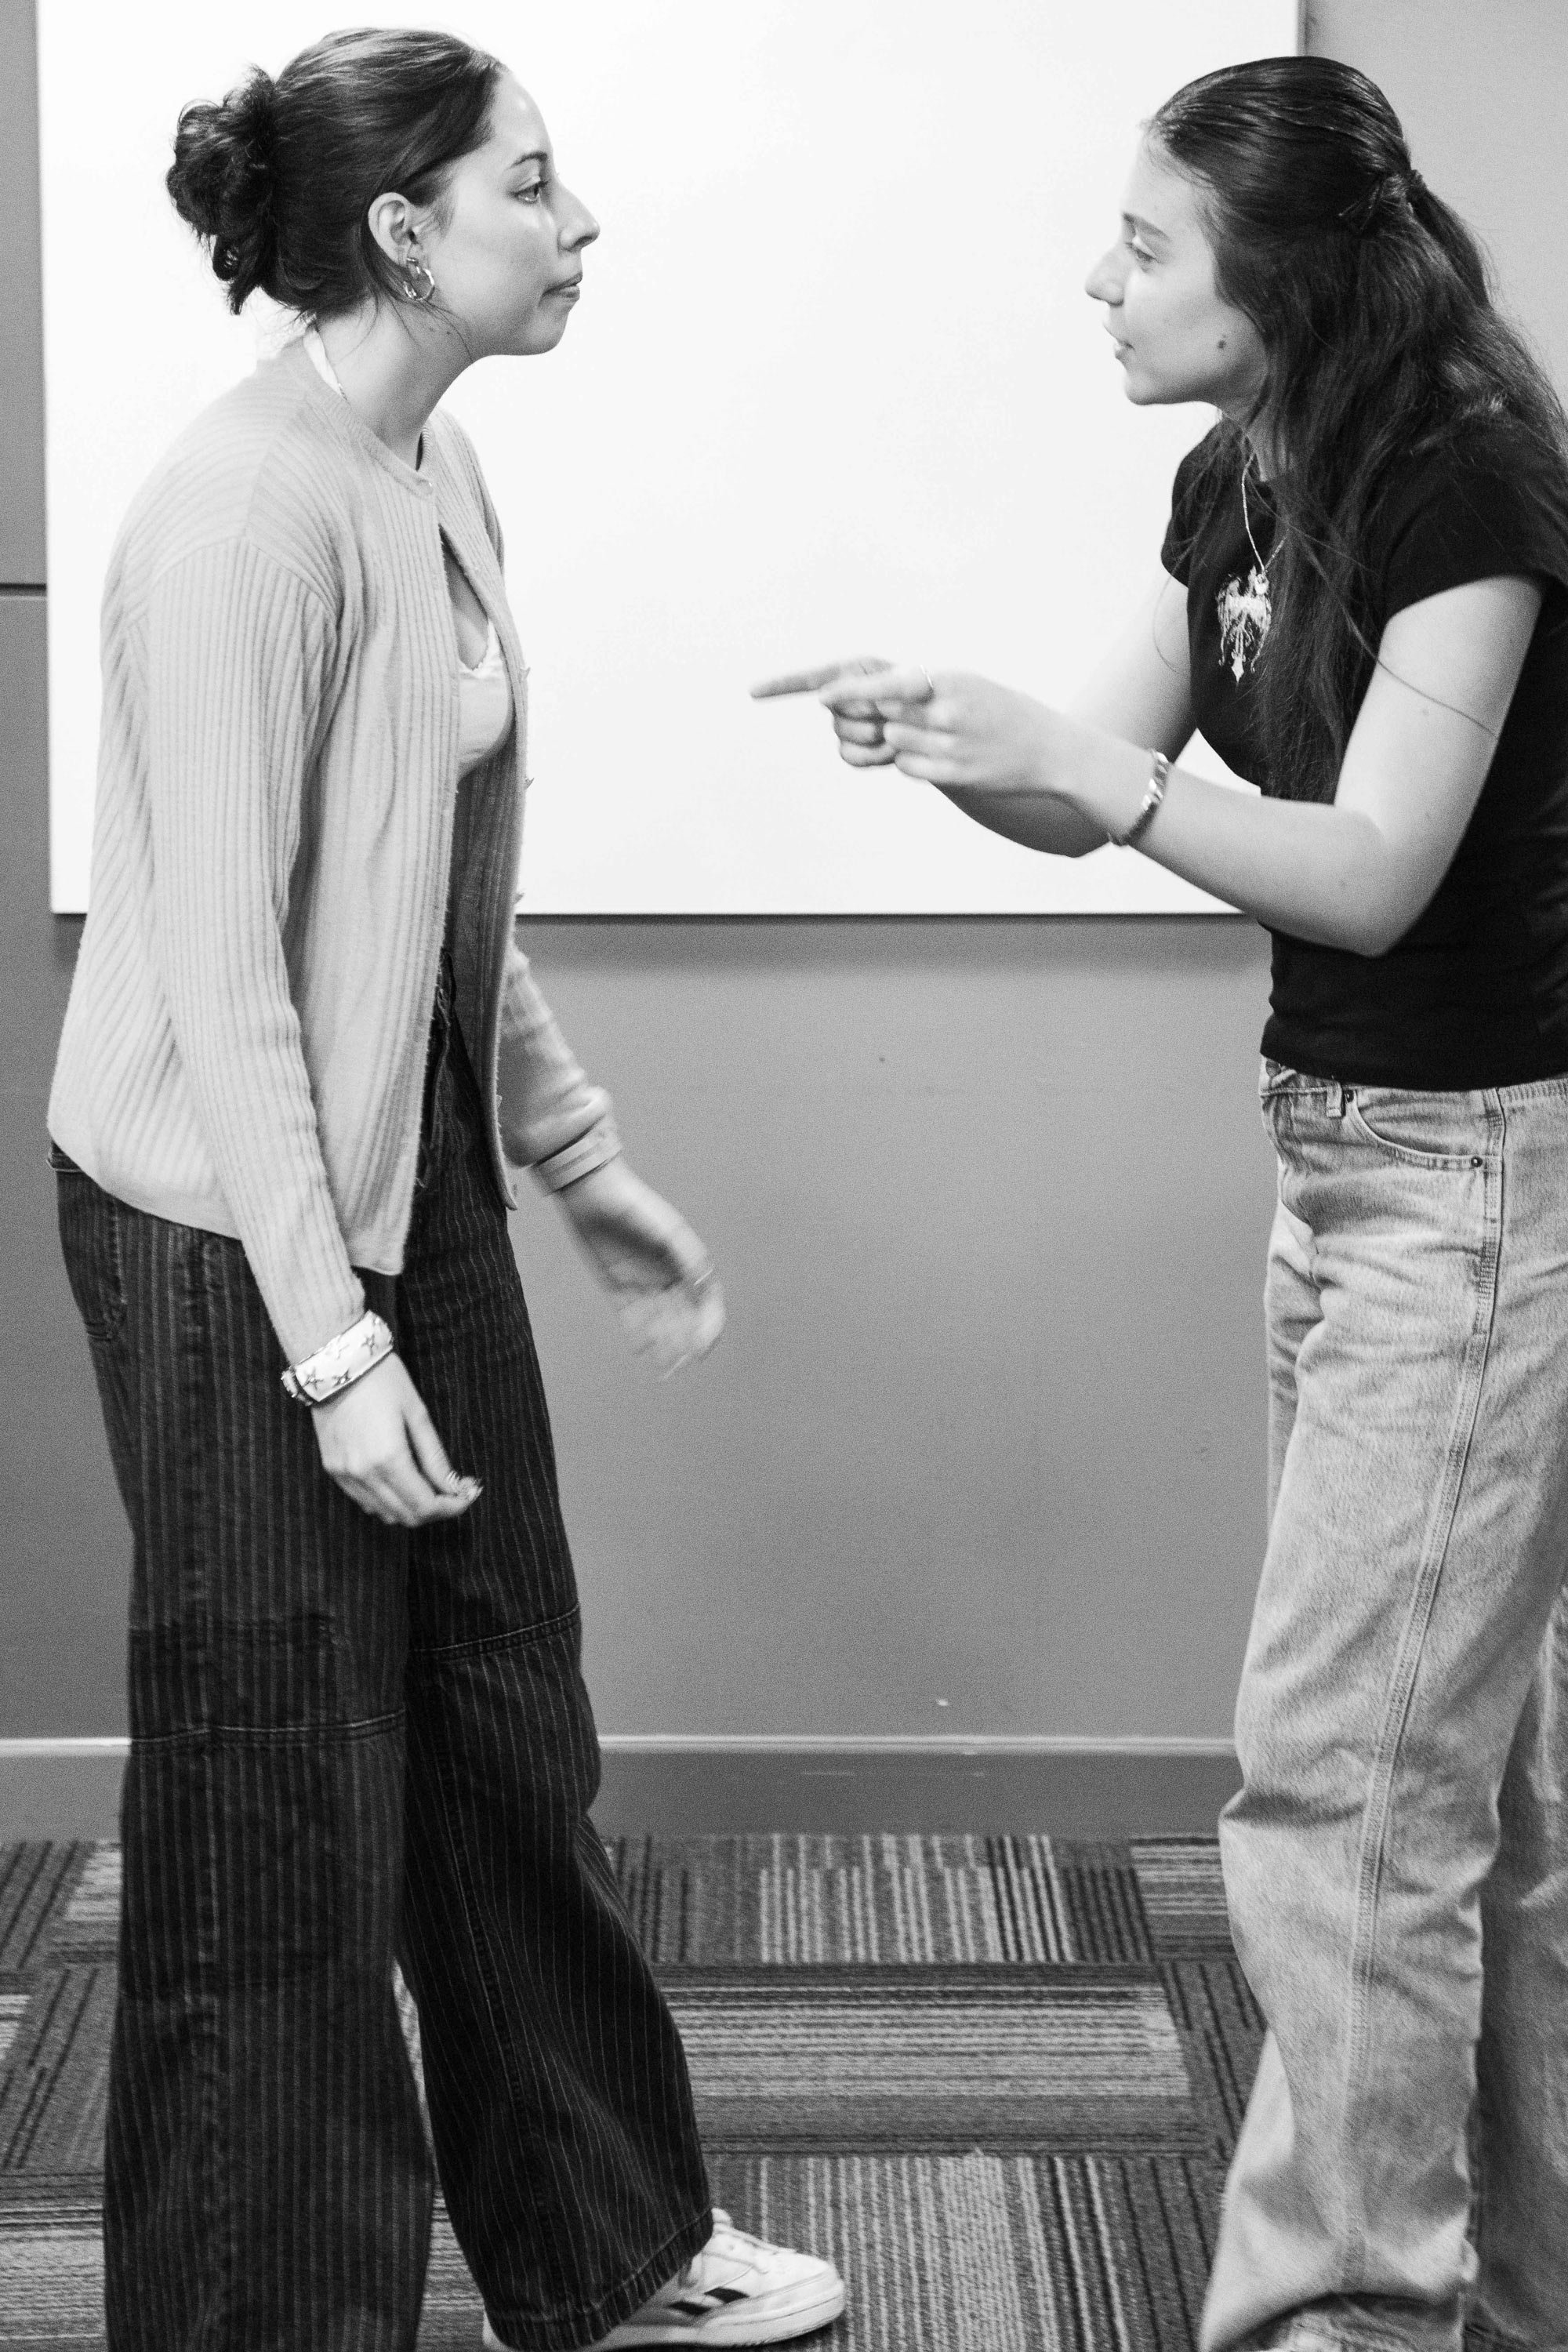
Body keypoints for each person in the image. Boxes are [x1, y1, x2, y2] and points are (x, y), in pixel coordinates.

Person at [757, 53, 1568, 2352]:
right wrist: (960, 736)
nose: (1095, 279)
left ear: (1278, 275)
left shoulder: (1468, 481)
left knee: (1348, 1790)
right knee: (1475, 1785)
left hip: (1485, 1182)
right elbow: (1103, 771)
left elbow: (1376, 874)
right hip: (1346, 1162)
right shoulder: (1239, 470)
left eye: (1140, 243)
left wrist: (1090, 775)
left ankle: (1338, 2317)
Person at [49, 27, 844, 2352]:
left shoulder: (436, 466)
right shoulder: (239, 521)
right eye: (537, 184)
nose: (580, 221)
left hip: (414, 1175)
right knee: (288, 1795)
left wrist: (576, 1168)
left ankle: (600, 2247)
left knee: (506, 1726)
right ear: (408, 233)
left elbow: (417, 898)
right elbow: (218, 981)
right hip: (230, 1225)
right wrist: (326, 1338)